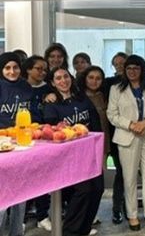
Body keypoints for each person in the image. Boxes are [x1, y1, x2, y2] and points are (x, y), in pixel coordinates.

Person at [43, 66, 103, 236]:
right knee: (83, 191)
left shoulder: (81, 98)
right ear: (52, 83)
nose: (63, 81)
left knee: (98, 189)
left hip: (89, 153)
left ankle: (83, 230)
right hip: (68, 158)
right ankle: (70, 231)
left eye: (66, 76)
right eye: (58, 78)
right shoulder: (51, 104)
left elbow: (96, 124)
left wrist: (100, 151)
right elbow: (51, 134)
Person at [106, 55, 145, 232]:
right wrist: (131, 125)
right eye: (129, 68)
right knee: (129, 178)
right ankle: (132, 215)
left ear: (142, 70)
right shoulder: (116, 89)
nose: (132, 71)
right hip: (127, 137)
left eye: (136, 68)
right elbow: (112, 114)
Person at [0, 52, 37, 236]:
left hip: (22, 143)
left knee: (20, 193)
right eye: (7, 68)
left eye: (15, 67)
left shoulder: (25, 86)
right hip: (1, 145)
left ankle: (16, 232)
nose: (12, 71)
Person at [21, 55, 52, 231]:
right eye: (38, 68)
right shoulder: (19, 87)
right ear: (28, 69)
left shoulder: (48, 89)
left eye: (44, 69)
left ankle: (43, 215)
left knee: (43, 177)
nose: (42, 72)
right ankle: (21, 217)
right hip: (22, 138)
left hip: (43, 138)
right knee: (23, 178)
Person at [103, 51, 127, 224]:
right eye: (116, 63)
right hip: (111, 133)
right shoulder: (108, 84)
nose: (119, 66)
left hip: (130, 134)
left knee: (127, 173)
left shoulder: (139, 83)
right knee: (121, 172)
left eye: (122, 63)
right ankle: (117, 208)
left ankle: (124, 206)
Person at [77, 66, 111, 167]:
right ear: (85, 79)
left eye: (98, 78)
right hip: (82, 142)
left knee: (100, 172)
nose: (94, 81)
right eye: (91, 77)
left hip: (102, 141)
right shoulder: (77, 97)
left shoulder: (105, 96)